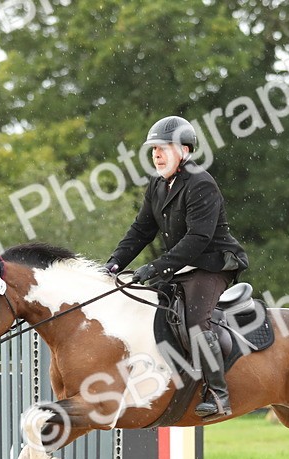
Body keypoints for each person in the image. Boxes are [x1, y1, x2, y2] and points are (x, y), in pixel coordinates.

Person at [106, 115, 248, 418]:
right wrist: (114, 263)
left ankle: (219, 394)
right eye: (153, 149)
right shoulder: (157, 185)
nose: (157, 154)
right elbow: (140, 231)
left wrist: (155, 267)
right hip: (182, 266)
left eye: (164, 147)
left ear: (184, 150)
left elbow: (198, 238)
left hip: (212, 264)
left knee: (196, 321)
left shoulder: (201, 184)